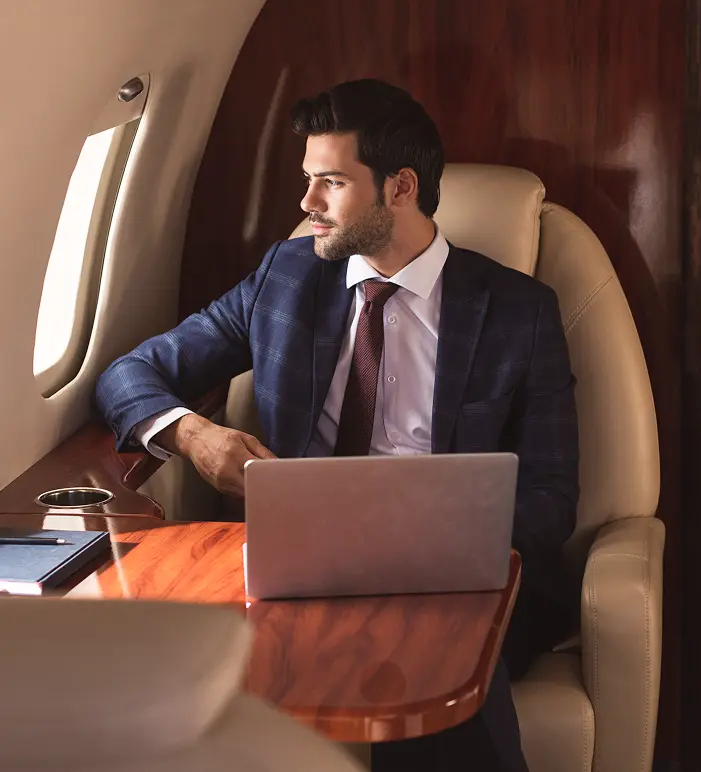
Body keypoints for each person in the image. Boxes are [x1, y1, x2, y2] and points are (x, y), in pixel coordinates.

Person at [94, 78, 579, 772]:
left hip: (447, 575)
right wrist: (194, 435)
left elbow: (551, 499)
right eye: (307, 181)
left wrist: (425, 539)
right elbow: (130, 373)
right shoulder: (285, 277)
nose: (306, 205)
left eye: (330, 183)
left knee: (435, 681)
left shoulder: (517, 312)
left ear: (400, 188)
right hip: (300, 564)